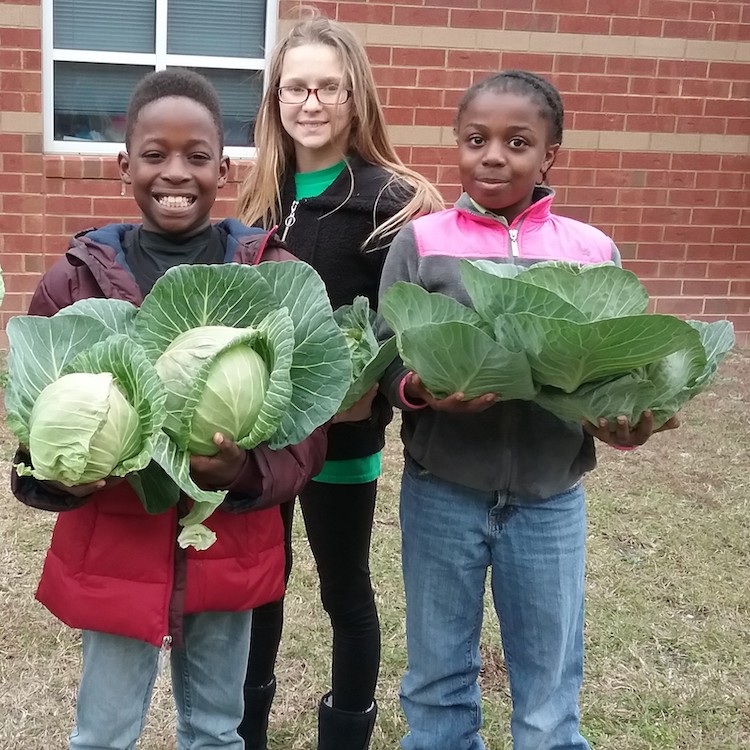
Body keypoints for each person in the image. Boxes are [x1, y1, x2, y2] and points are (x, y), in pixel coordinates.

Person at [11, 67, 366, 750]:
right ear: (124, 165)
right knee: (102, 733)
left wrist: (245, 471)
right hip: (119, 544)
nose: (176, 173)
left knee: (215, 730)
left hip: (226, 543)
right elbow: (36, 410)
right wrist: (54, 473)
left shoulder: (268, 270)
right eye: (155, 155)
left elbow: (310, 425)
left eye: (197, 156)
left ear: (224, 168)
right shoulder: (74, 280)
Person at [377, 70, 680, 750]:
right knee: (436, 674)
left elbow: (615, 371)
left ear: (550, 155)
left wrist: (626, 423)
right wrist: (423, 391)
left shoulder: (592, 252)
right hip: (442, 490)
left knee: (548, 680)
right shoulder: (421, 244)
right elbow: (385, 357)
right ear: (456, 143)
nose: (494, 156)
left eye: (518, 142)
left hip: (550, 499)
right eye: (477, 139)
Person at [235, 11, 444, 750]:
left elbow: (410, 332)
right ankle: (244, 731)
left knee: (344, 590)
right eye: (295, 88)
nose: (311, 103)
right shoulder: (261, 200)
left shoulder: (394, 205)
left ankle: (345, 735)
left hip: (343, 443)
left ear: (357, 97)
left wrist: (372, 390)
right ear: (275, 100)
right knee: (261, 587)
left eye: (329, 87)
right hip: (259, 441)